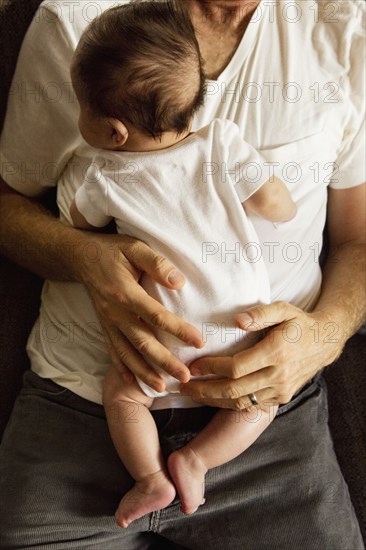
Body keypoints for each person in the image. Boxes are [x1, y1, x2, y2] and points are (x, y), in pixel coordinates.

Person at [0, 0, 365, 548]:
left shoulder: (345, 27)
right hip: (75, 411)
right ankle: (177, 469)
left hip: (268, 411)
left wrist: (325, 336)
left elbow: (357, 239)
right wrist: (81, 256)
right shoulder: (78, 21)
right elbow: (8, 203)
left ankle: (156, 477)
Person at [69, 2, 296, 527]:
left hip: (160, 338)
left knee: (123, 397)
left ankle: (150, 477)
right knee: (260, 403)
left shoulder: (103, 174)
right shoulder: (221, 142)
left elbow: (80, 224)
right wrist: (279, 201)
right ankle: (196, 461)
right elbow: (275, 205)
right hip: (240, 325)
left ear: (113, 131)